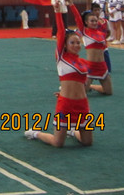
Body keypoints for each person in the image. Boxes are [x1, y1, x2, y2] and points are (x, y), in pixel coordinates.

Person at [25, 10, 93, 147]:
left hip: (82, 104)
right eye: (72, 43)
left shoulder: (83, 62)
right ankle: (35, 133)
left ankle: (72, 131)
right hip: (66, 104)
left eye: (78, 43)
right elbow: (61, 31)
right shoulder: (62, 58)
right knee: (58, 143)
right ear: (65, 45)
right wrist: (57, 11)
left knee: (87, 142)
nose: (76, 45)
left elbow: (82, 85)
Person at [71, 5, 112, 95]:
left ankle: (91, 86)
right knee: (82, 93)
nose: (94, 23)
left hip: (102, 66)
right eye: (92, 21)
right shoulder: (85, 32)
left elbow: (108, 33)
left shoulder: (101, 34)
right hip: (91, 67)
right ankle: (68, 89)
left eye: (96, 21)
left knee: (108, 92)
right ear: (86, 22)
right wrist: (71, 5)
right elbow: (77, 17)